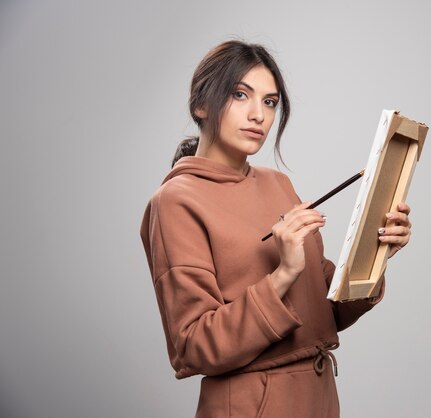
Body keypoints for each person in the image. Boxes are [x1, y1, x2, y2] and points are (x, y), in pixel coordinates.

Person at [140, 40, 413, 418]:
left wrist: (378, 249)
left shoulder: (278, 183)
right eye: (240, 95)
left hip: (318, 397)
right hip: (252, 405)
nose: (259, 115)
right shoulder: (175, 201)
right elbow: (194, 346)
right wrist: (282, 274)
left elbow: (326, 309)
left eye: (270, 102)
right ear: (201, 105)